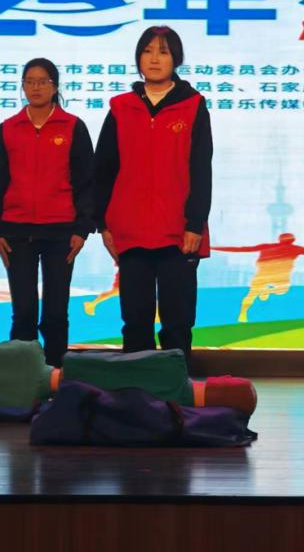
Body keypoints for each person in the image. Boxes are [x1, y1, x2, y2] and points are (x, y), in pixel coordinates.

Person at [94, 26, 212, 360]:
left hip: (178, 231)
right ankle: (136, 390)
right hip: (130, 230)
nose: (154, 59)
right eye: (147, 51)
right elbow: (103, 169)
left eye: (163, 51)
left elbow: (201, 169)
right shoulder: (121, 107)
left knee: (177, 321)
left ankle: (175, 389)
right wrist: (103, 224)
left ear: (176, 59)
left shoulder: (193, 106)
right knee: (135, 321)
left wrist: (195, 223)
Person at [0, 58, 95, 366]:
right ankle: (21, 376)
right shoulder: (7, 129)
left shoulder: (73, 127)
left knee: (56, 312)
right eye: (29, 81)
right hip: (16, 233)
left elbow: (86, 182)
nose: (36, 87)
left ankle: (57, 375)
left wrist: (82, 229)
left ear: (55, 87)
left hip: (61, 232)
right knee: (24, 312)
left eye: (43, 81)